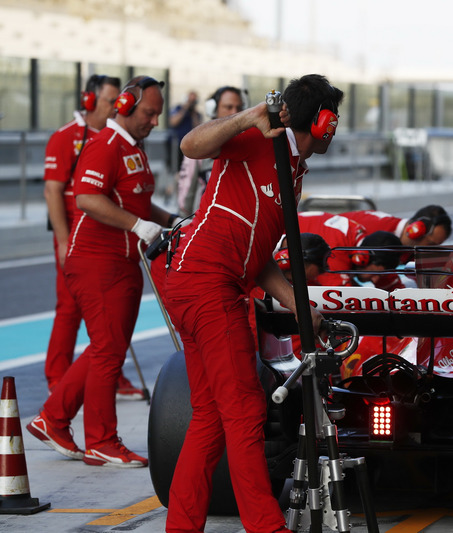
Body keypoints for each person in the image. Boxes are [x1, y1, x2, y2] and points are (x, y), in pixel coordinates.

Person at [162, 74, 340, 533]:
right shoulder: (256, 135)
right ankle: (266, 527)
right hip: (207, 284)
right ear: (323, 121)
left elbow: (260, 259)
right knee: (243, 411)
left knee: (211, 416)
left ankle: (181, 527)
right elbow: (190, 146)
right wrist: (247, 116)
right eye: (333, 119)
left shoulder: (294, 170)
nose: (335, 129)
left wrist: (304, 311)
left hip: (207, 283)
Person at [27, 76, 176, 468]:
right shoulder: (105, 145)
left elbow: (138, 203)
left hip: (121, 261)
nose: (155, 121)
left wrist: (172, 219)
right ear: (124, 106)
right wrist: (136, 226)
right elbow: (89, 198)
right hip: (98, 262)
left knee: (104, 347)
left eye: (158, 113)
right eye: (149, 112)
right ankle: (101, 441)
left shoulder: (132, 147)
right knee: (108, 351)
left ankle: (53, 419)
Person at [175, 86, 246, 217]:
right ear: (213, 109)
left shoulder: (248, 144)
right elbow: (186, 194)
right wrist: (184, 223)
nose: (235, 112)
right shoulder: (199, 145)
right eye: (228, 107)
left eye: (239, 107)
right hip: (204, 225)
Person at [297, 210, 366, 286]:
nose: (375, 279)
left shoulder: (353, 232)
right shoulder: (339, 244)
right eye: (376, 275)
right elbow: (339, 291)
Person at [342, 204, 452, 248]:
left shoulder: (408, 248)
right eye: (430, 243)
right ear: (416, 230)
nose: (431, 250)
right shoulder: (374, 230)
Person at [167, 90, 202, 173]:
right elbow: (173, 122)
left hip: (190, 145)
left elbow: (198, 128)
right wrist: (185, 108)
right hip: (176, 144)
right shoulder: (178, 109)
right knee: (175, 169)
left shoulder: (196, 114)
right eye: (190, 100)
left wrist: (193, 114)